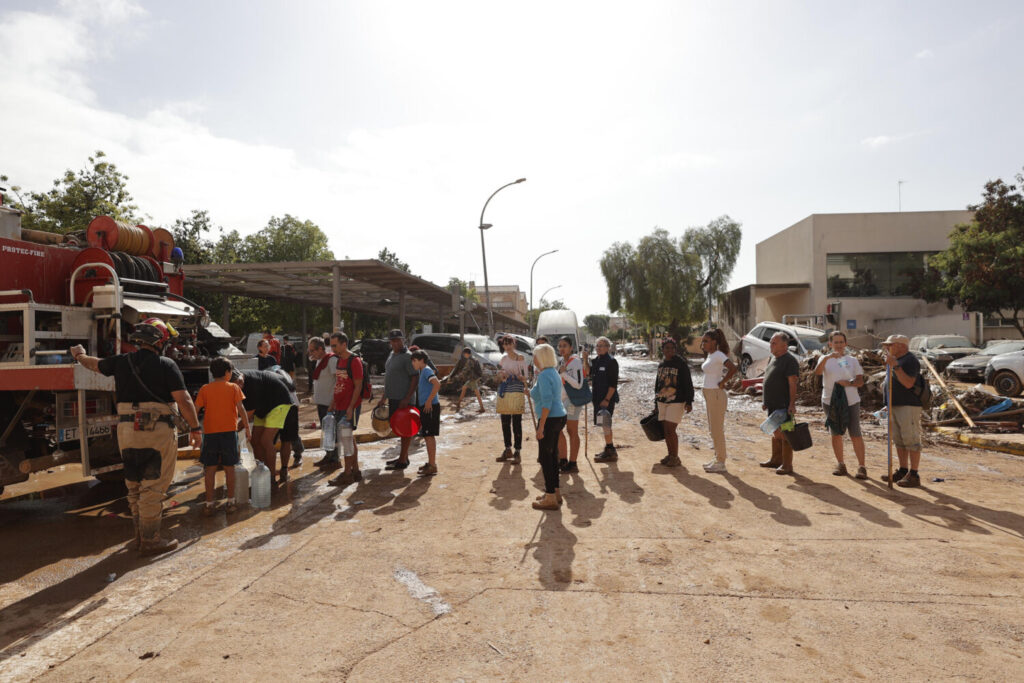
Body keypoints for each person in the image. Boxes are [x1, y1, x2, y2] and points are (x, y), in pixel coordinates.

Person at [70, 318, 201, 556]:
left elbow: (96, 364)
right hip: (157, 432)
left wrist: (79, 356)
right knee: (153, 487)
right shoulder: (166, 364)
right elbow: (184, 400)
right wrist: (195, 428)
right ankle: (150, 540)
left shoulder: (121, 362)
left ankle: (140, 537)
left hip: (127, 431)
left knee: (134, 485)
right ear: (160, 341)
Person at [195, 357, 250, 516]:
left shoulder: (205, 389)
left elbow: (195, 409)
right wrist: (247, 427)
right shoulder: (233, 388)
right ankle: (231, 502)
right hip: (228, 434)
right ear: (227, 373)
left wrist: (195, 429)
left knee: (210, 469)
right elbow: (241, 410)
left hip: (210, 434)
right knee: (229, 468)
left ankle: (209, 504)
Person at [815, 331, 868, 479]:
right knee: (836, 433)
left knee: (855, 433)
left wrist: (849, 383)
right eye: (835, 342)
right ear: (830, 344)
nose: (838, 345)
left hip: (851, 401)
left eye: (841, 342)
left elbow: (860, 381)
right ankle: (840, 464)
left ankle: (862, 467)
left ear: (845, 343)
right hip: (829, 401)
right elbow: (817, 373)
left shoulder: (852, 361)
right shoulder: (824, 359)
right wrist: (826, 358)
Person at [231, 369, 294, 485]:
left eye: (240, 382)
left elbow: (247, 416)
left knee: (265, 440)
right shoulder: (236, 385)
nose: (239, 386)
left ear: (241, 377)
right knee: (254, 440)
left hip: (279, 402)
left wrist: (232, 430)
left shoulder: (252, 384)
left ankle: (270, 476)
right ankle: (261, 470)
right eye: (236, 384)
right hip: (263, 406)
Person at [881, 334, 924, 487]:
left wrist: (896, 366)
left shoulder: (909, 360)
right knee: (899, 440)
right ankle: (903, 469)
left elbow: (908, 383)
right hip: (895, 405)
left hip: (908, 405)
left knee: (911, 440)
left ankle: (914, 474)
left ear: (901, 346)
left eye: (890, 345)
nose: (887, 348)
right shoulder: (895, 360)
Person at [530, 343, 567, 510]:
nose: (533, 359)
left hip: (550, 418)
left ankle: (551, 495)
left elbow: (546, 404)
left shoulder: (544, 375)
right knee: (553, 456)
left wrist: (540, 427)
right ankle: (554, 492)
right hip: (559, 416)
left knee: (546, 458)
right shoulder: (552, 372)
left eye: (535, 356)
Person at [327, 332, 366, 486]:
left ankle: (347, 473)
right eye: (332, 345)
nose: (333, 348)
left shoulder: (354, 361)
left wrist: (350, 407)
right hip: (340, 406)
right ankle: (355, 471)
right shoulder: (339, 361)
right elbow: (339, 383)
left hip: (349, 407)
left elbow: (358, 386)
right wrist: (333, 402)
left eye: (335, 345)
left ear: (344, 344)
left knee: (347, 440)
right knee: (349, 439)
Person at [761, 332, 800, 475]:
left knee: (786, 433)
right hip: (772, 404)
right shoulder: (773, 358)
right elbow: (767, 380)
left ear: (785, 345)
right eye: (771, 342)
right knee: (775, 432)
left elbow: (792, 383)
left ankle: (787, 465)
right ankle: (776, 459)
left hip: (784, 405)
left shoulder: (789, 361)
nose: (771, 345)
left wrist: (792, 404)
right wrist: (765, 401)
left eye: (774, 343)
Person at [699, 329, 738, 473]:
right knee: (712, 429)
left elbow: (733, 368)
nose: (703, 343)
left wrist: (723, 382)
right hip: (709, 394)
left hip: (716, 394)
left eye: (706, 341)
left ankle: (721, 462)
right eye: (703, 341)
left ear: (714, 342)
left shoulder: (719, 355)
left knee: (717, 429)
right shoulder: (711, 355)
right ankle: (717, 458)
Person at [379, 329, 418, 470]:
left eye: (398, 340)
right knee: (397, 429)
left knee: (405, 429)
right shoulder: (392, 355)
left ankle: (402, 460)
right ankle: (404, 456)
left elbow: (415, 377)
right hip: (393, 397)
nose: (396, 343)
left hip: (404, 399)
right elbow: (390, 377)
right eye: (393, 341)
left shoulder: (408, 356)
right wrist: (384, 397)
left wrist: (407, 398)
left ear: (403, 341)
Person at [655, 337, 694, 467]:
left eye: (672, 348)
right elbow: (658, 383)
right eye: (667, 348)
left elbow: (688, 383)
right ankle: (670, 455)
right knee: (666, 430)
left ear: (675, 350)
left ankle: (675, 457)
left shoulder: (681, 364)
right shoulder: (661, 365)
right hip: (662, 400)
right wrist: (656, 402)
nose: (669, 350)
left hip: (677, 401)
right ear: (662, 350)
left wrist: (689, 401)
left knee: (671, 429)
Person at [308, 336, 341, 470]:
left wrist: (334, 402)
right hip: (322, 403)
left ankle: (335, 460)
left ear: (321, 349)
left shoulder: (332, 360)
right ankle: (329, 456)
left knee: (332, 432)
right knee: (326, 432)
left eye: (312, 350)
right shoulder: (320, 360)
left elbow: (339, 380)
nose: (311, 354)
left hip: (330, 404)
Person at [495, 335, 529, 464]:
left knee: (516, 423)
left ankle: (518, 451)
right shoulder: (503, 359)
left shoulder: (520, 358)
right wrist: (502, 375)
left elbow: (525, 377)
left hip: (516, 391)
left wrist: (515, 376)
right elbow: (498, 376)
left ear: (514, 344)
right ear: (503, 345)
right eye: (505, 344)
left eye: (509, 344)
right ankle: (507, 448)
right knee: (505, 423)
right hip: (504, 391)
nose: (507, 346)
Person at [556, 337, 586, 474]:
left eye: (565, 345)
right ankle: (563, 460)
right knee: (558, 430)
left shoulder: (575, 362)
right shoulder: (562, 361)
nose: (562, 348)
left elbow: (578, 384)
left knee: (572, 431)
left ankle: (573, 463)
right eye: (560, 346)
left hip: (573, 400)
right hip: (562, 401)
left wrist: (563, 373)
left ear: (571, 348)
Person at [410, 350, 441, 477]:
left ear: (421, 360)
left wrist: (428, 401)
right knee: (427, 435)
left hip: (430, 407)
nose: (413, 363)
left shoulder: (427, 370)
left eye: (414, 361)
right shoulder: (422, 371)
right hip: (426, 407)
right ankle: (431, 463)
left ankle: (433, 465)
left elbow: (437, 384)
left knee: (429, 435)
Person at [591, 336, 621, 463]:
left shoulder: (611, 361)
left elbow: (613, 384)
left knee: (606, 423)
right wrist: (585, 359)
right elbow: (588, 374)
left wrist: (607, 400)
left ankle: (610, 450)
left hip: (606, 399)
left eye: (602, 345)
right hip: (597, 398)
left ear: (608, 347)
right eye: (597, 345)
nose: (599, 348)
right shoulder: (595, 361)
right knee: (602, 424)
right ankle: (608, 448)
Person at [452, 346, 485, 413]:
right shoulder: (474, 359)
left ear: (467, 354)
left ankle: (482, 408)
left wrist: (457, 377)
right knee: (464, 388)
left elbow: (465, 370)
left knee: (477, 393)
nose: (464, 355)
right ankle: (458, 404)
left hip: (472, 378)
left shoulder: (470, 361)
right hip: (473, 378)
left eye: (464, 354)